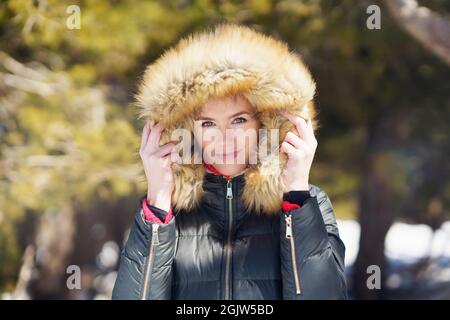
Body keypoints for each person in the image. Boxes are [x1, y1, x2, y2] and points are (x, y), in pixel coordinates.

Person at [112, 23, 347, 300]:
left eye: (239, 120)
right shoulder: (164, 210)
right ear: (188, 131)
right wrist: (159, 203)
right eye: (208, 123)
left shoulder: (309, 204)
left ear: (266, 122)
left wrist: (295, 195)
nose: (224, 138)